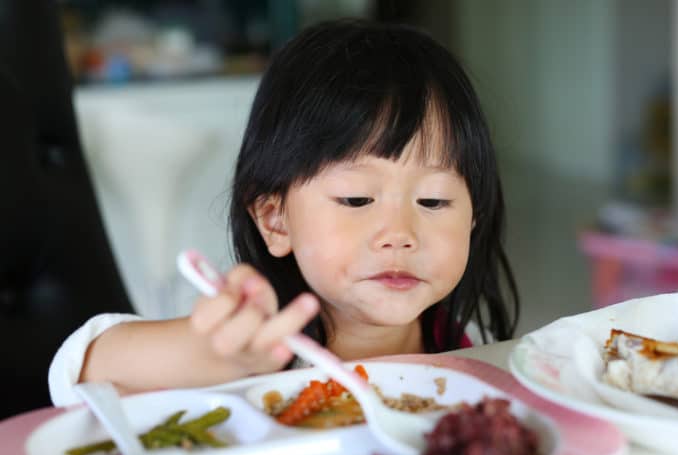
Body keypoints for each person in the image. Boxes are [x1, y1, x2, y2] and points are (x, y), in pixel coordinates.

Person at [49, 19, 519, 406]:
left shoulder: (468, 348)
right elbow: (77, 372)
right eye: (357, 199)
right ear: (276, 220)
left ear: (473, 215)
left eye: (433, 201)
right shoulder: (258, 355)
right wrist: (209, 355)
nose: (400, 234)